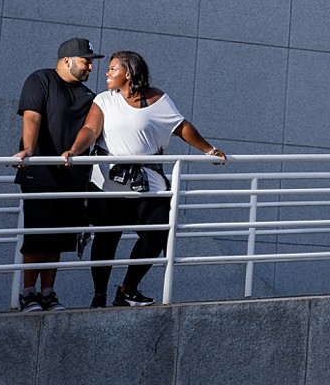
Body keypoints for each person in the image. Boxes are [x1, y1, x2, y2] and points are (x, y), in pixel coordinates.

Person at [63, 50, 226, 307]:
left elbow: (181, 127)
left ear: (129, 73)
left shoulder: (157, 99)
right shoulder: (105, 100)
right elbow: (90, 130)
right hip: (108, 182)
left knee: (157, 231)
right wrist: (74, 150)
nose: (106, 73)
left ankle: (127, 289)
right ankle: (99, 296)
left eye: (113, 69)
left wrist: (209, 150)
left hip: (147, 181)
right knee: (107, 239)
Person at [10, 36, 103, 312]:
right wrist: (28, 149)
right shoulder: (41, 80)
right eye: (86, 61)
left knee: (59, 238)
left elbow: (92, 130)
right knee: (38, 235)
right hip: (38, 173)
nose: (90, 67)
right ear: (67, 60)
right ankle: (28, 293)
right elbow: (33, 116)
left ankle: (48, 293)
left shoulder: (89, 96)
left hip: (72, 176)